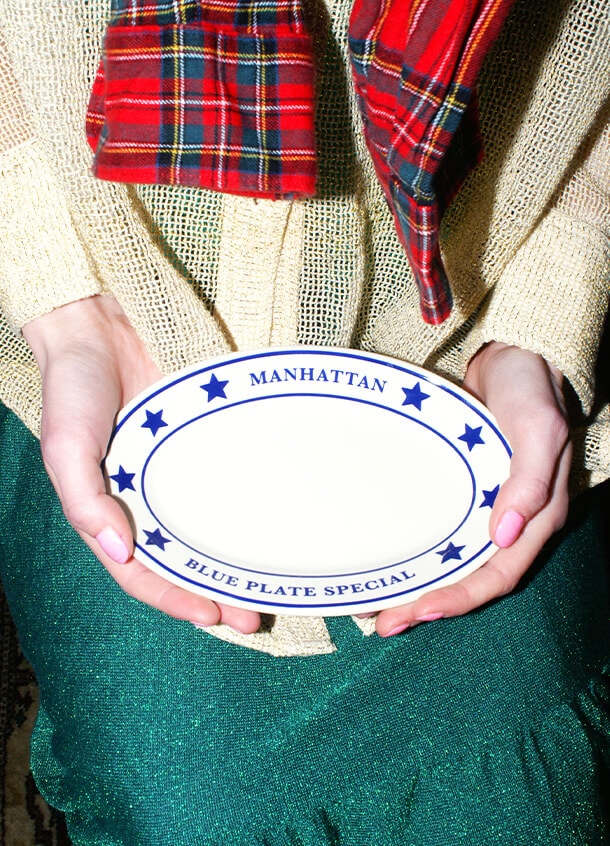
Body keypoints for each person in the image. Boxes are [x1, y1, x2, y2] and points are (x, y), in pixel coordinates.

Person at [0, 0, 608, 842]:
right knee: (180, 803)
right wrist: (66, 304)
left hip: (479, 300)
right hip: (109, 303)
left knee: (521, 799)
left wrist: (536, 322)